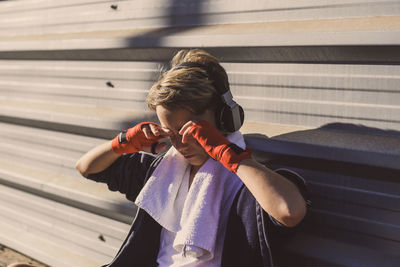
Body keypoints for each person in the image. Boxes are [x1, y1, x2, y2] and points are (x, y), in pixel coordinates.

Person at [75, 49, 307, 267]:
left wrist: (230, 155)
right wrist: (123, 143)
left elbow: (289, 211)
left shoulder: (249, 183)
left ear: (224, 117)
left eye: (191, 130)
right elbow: (87, 168)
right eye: (171, 133)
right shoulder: (161, 175)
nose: (179, 144)